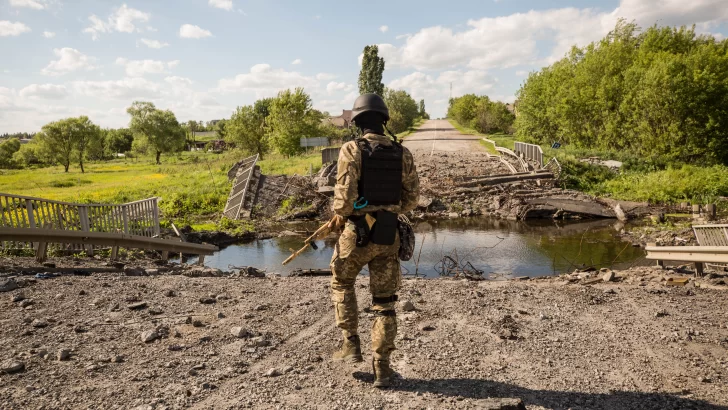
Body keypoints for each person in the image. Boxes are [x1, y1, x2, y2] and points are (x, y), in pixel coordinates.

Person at [327, 93, 420, 388]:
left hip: (356, 235)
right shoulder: (402, 153)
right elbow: (411, 200)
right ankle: (382, 367)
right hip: (388, 235)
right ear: (384, 120)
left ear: (357, 122)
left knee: (342, 283)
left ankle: (350, 345)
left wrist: (350, 211)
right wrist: (387, 210)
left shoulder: (351, 149)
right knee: (385, 303)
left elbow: (343, 203)